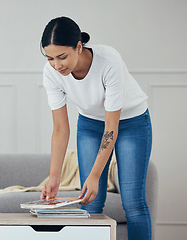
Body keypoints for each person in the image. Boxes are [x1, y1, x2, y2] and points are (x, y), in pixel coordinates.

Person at [39, 16, 152, 240]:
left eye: (62, 56)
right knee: (89, 203)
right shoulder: (51, 72)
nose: (56, 65)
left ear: (79, 47)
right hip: (90, 124)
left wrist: (95, 175)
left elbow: (111, 128)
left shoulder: (109, 61)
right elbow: (61, 129)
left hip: (132, 122)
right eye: (50, 58)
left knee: (133, 202)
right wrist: (54, 176)